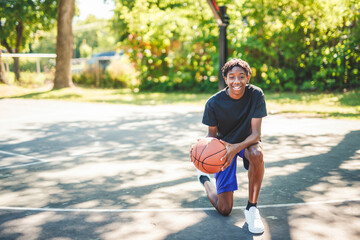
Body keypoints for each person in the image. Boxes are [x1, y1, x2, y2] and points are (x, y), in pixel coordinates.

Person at [191, 58, 267, 234]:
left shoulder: (256, 95)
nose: (236, 81)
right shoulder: (213, 103)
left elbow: (256, 134)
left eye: (241, 76)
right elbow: (211, 136)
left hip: (247, 143)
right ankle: (204, 180)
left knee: (257, 153)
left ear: (248, 77)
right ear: (225, 79)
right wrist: (199, 150)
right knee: (224, 209)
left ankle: (252, 208)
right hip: (222, 148)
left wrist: (236, 148)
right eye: (231, 77)